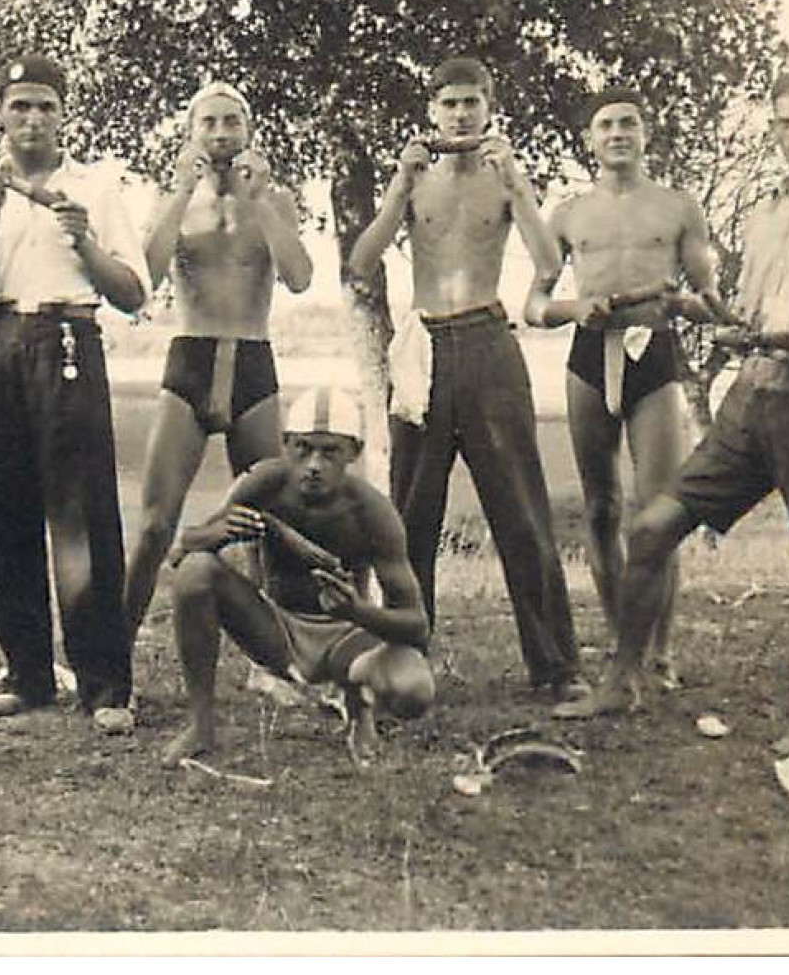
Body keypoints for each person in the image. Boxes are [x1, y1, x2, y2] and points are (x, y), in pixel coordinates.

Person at [577, 67, 789, 759]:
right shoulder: (762, 212)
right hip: (749, 398)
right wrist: (699, 311)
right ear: (773, 128)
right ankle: (621, 680)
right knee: (649, 529)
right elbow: (748, 312)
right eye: (784, 123)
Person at [348, 56, 583, 700]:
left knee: (520, 508)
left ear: (488, 107)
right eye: (448, 104)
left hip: (487, 337)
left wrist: (522, 190)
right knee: (410, 512)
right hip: (424, 345)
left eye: (470, 103)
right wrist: (397, 186)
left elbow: (546, 264)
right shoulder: (416, 180)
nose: (459, 115)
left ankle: (555, 666)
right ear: (431, 111)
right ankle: (404, 658)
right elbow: (360, 263)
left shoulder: (502, 176)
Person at [0, 55, 149, 734]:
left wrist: (83, 238)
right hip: (2, 342)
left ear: (64, 116)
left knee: (82, 518)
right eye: (19, 107)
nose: (32, 120)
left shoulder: (93, 187)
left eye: (45, 107)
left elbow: (132, 292)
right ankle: (25, 674)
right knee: (4, 511)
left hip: (69, 340)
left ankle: (104, 684)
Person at [524, 88, 733, 716]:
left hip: (655, 355)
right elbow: (534, 304)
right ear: (590, 139)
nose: (618, 133)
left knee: (658, 512)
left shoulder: (677, 208)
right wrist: (572, 308)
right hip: (589, 355)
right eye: (606, 125)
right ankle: (624, 647)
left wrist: (683, 302)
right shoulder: (566, 215)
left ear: (646, 135)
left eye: (629, 123)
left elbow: (708, 296)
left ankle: (659, 653)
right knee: (599, 508)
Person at [123, 82, 313, 646]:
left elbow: (301, 277)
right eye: (209, 123)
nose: (222, 134)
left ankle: (282, 656)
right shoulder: (174, 198)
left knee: (273, 522)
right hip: (192, 356)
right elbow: (144, 281)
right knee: (157, 521)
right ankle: (115, 656)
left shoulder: (274, 200)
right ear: (191, 132)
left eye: (232, 122)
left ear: (250, 131)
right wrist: (180, 192)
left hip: (253, 357)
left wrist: (259, 203)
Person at [159, 387, 434, 768]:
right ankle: (201, 726)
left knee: (414, 687)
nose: (314, 464)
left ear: (353, 453)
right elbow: (180, 552)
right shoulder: (262, 484)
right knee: (196, 571)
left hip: (346, 637)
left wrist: (359, 612)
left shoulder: (373, 511)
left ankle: (358, 705)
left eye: (330, 451)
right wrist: (214, 534)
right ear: (285, 445)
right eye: (303, 449)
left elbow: (417, 626)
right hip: (276, 629)